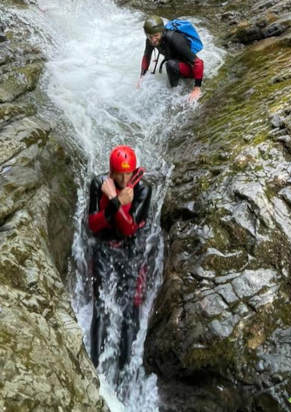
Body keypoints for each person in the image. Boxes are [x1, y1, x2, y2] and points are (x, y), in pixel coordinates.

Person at [87, 145, 152, 372]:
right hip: (104, 245)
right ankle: (94, 371)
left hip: (131, 247)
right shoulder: (98, 184)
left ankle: (125, 375)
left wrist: (115, 199)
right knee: (101, 307)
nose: (124, 179)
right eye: (118, 174)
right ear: (110, 172)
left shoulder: (143, 189)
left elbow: (128, 228)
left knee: (130, 310)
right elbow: (93, 224)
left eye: (128, 173)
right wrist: (115, 201)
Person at [137, 15, 204, 102]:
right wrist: (142, 76)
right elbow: (147, 56)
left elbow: (199, 63)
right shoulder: (150, 41)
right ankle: (173, 89)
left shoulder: (174, 39)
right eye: (150, 37)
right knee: (170, 64)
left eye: (156, 35)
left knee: (170, 65)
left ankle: (173, 93)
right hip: (176, 64)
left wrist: (197, 89)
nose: (153, 40)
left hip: (190, 70)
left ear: (162, 31)